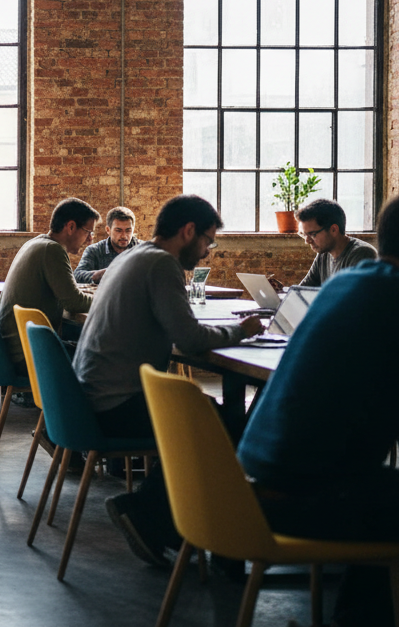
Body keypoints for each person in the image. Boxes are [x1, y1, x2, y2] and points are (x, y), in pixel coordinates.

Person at [238, 186, 399, 627]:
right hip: (307, 499)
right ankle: (366, 620)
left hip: (251, 487)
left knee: (396, 497)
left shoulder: (345, 285)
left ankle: (359, 613)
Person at [72, 194, 262, 566]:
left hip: (89, 397)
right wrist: (241, 330)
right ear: (188, 231)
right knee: (229, 429)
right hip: (115, 404)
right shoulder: (161, 264)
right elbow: (189, 339)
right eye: (208, 240)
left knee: (214, 420)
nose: (207, 251)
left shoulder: (132, 257)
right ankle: (164, 521)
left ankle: (152, 514)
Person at [0, 197, 98, 377]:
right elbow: (74, 302)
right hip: (26, 355)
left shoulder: (36, 243)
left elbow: (66, 292)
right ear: (71, 227)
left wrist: (84, 293)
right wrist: (108, 297)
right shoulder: (52, 250)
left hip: (9, 350)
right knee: (101, 359)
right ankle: (76, 405)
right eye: (88, 232)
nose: (90, 240)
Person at [268, 197, 378, 290]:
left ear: (334, 230)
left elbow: (351, 305)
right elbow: (304, 290)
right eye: (304, 235)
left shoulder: (362, 255)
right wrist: (282, 290)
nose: (307, 241)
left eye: (312, 234)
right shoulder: (323, 253)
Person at [73, 205, 140, 284]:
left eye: (128, 230)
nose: (124, 236)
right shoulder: (95, 250)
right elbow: (77, 275)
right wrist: (102, 274)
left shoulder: (144, 250)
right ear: (108, 230)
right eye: (118, 230)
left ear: (133, 229)